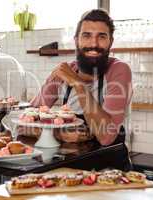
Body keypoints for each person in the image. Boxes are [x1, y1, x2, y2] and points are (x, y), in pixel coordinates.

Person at [28, 8, 132, 148]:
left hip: (110, 167)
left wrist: (78, 83)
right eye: (87, 36)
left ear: (110, 42)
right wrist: (57, 134)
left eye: (101, 36)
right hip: (69, 166)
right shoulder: (64, 71)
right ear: (76, 41)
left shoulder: (119, 70)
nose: (94, 44)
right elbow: (24, 124)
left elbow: (106, 136)